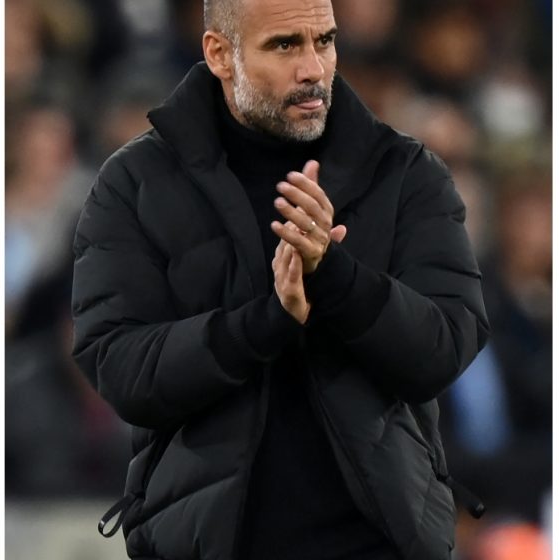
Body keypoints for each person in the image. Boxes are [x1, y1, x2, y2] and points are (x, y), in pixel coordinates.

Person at [71, 0, 489, 558]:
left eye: (325, 41)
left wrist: (334, 275)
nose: (313, 68)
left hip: (379, 544)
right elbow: (118, 366)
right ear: (220, 54)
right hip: (206, 546)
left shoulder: (406, 173)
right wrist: (263, 323)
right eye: (285, 44)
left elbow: (445, 346)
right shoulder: (134, 183)